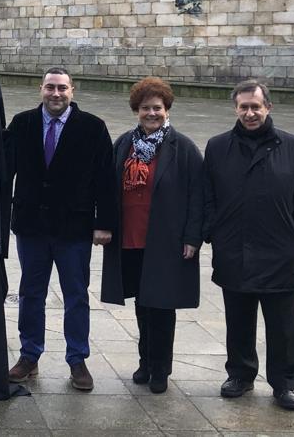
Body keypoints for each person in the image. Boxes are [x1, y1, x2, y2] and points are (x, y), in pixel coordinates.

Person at [204, 80, 294, 411]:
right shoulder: (217, 146)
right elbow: (207, 195)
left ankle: (285, 383)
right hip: (234, 248)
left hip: (279, 250)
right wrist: (215, 232)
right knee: (238, 319)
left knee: (283, 324)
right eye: (244, 107)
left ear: (268, 107)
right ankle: (240, 374)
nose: (250, 113)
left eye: (256, 106)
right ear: (235, 109)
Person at [4, 67, 117, 391]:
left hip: (74, 227)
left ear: (72, 91)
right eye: (50, 87)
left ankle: (77, 359)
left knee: (76, 295)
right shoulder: (22, 122)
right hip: (32, 226)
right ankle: (29, 356)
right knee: (30, 294)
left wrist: (104, 224)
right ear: (41, 89)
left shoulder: (93, 127)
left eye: (62, 88)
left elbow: (105, 180)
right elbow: (4, 168)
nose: (56, 94)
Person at [99, 77, 204, 394]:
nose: (151, 113)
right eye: (145, 108)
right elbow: (106, 188)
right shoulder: (124, 144)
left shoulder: (182, 148)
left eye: (157, 108)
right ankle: (145, 362)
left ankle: (161, 368)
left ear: (166, 109)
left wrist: (192, 237)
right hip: (131, 237)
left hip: (165, 239)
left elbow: (198, 195)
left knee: (162, 305)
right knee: (142, 305)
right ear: (137, 110)